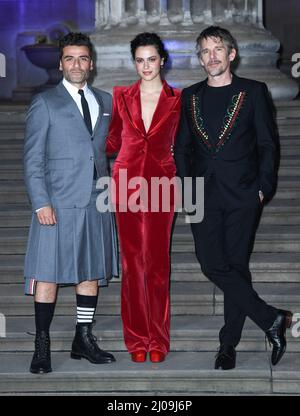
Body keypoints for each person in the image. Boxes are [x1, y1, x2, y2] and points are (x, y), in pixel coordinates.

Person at [174, 26, 293, 370]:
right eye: (204, 52)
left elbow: (268, 145)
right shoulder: (190, 96)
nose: (211, 57)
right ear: (199, 59)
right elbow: (181, 147)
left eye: (217, 50)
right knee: (211, 262)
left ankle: (228, 345)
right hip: (201, 194)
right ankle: (271, 318)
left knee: (236, 267)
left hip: (243, 193)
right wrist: (185, 187)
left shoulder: (254, 92)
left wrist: (263, 187)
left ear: (231, 54)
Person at [23, 32, 118, 374]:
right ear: (61, 63)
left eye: (82, 58)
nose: (76, 64)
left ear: (91, 64)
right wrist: (40, 202)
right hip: (57, 202)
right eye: (69, 58)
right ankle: (42, 343)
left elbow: (109, 149)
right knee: (47, 274)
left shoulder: (105, 101)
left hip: (96, 200)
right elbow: (32, 159)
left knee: (90, 272)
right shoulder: (45, 102)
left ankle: (83, 337)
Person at [106, 32, 181, 363]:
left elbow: (187, 144)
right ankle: (137, 337)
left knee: (157, 263)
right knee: (132, 262)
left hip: (163, 184)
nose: (146, 66)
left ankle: (159, 340)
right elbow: (110, 141)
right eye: (140, 60)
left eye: (152, 59)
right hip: (126, 184)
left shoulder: (179, 99)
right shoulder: (121, 95)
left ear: (162, 60)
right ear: (134, 62)